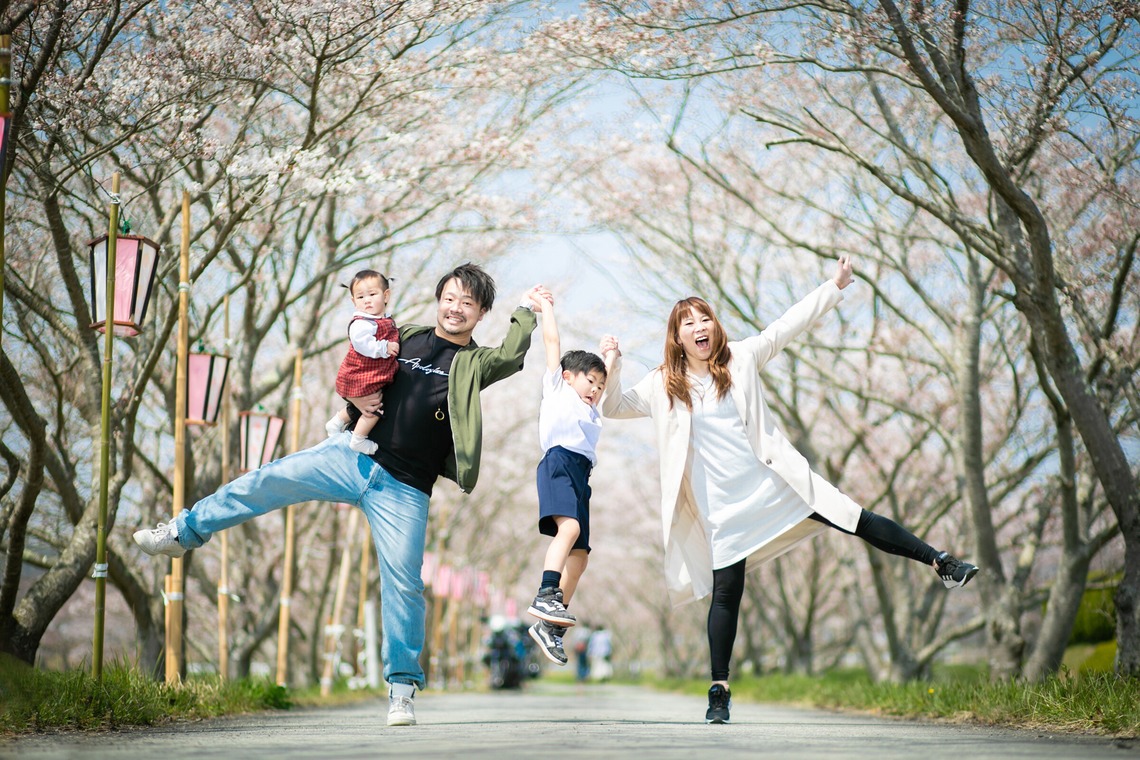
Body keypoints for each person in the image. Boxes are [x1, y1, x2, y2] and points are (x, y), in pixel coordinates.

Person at [134, 263, 547, 727]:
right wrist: (354, 403)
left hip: (405, 488)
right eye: (449, 298)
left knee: (405, 584)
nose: (455, 309)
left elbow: (511, 356)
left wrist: (526, 310)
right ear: (438, 300)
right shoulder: (405, 335)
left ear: (481, 312)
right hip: (350, 455)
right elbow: (361, 362)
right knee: (266, 479)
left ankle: (402, 690)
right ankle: (182, 532)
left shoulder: (474, 363)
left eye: (467, 303)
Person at [600, 255, 978, 724]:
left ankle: (941, 562)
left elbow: (786, 326)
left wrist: (834, 286)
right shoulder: (663, 385)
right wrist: (612, 364)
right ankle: (719, 690)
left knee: (853, 516)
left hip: (774, 484)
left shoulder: (740, 358)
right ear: (677, 337)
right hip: (722, 507)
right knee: (726, 594)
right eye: (689, 323)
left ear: (714, 326)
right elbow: (613, 406)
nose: (700, 327)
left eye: (705, 319)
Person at [524, 293, 613, 665]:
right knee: (570, 528)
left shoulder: (591, 409)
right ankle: (546, 592)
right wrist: (546, 308)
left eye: (600, 386)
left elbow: (605, 378)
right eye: (590, 381)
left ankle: (551, 625)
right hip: (558, 462)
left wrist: (611, 356)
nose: (595, 390)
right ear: (567, 377)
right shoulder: (557, 389)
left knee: (580, 556)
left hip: (581, 475)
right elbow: (552, 343)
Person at [325, 269, 400, 454]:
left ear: (386, 296)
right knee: (375, 408)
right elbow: (362, 344)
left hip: (368, 375)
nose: (367, 300)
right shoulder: (361, 323)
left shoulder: (382, 320)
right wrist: (384, 347)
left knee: (364, 405)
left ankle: (336, 422)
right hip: (359, 375)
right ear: (354, 301)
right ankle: (359, 439)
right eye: (360, 297)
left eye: (372, 294)